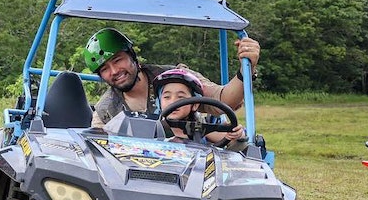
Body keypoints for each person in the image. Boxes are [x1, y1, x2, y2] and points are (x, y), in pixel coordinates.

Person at [84, 27, 260, 128]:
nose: (114, 71)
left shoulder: (177, 78)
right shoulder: (104, 111)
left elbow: (223, 100)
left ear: (133, 57)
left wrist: (246, 69)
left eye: (117, 60)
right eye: (105, 69)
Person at [153, 68, 247, 146]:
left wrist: (237, 134)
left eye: (181, 97)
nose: (172, 102)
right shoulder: (153, 127)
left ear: (194, 104)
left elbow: (230, 137)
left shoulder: (200, 128)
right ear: (159, 103)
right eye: (167, 97)